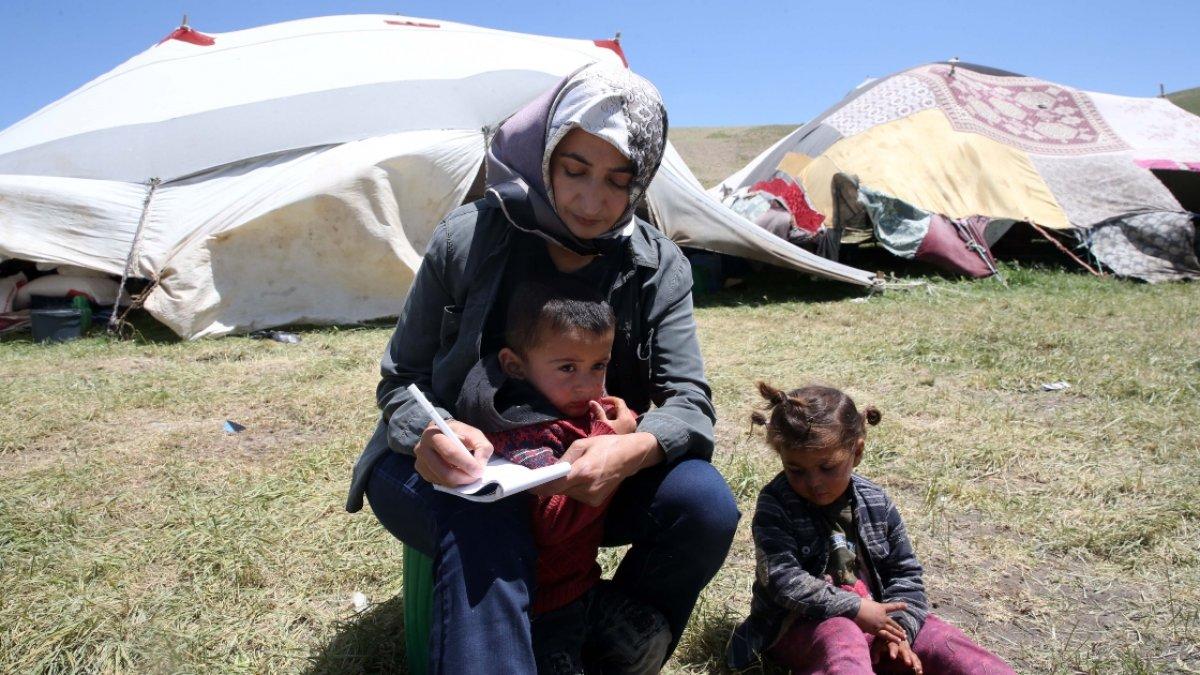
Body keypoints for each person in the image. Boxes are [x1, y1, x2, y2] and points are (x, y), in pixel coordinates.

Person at [345, 62, 740, 674]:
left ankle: (609, 635)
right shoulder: (467, 239)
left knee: (703, 504)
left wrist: (628, 451)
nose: (591, 199)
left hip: (584, 483)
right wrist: (435, 432)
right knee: (489, 516)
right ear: (544, 156)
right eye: (575, 170)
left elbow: (691, 402)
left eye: (617, 180)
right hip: (454, 475)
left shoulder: (658, 267)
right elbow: (401, 380)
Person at [455, 278, 671, 673]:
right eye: (567, 367)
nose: (587, 383)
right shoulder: (522, 432)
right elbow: (552, 521)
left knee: (651, 636)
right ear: (515, 365)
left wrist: (624, 428)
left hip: (583, 587)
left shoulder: (580, 408)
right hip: (543, 606)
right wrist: (610, 440)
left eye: (599, 366)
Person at [726, 382, 1015, 675]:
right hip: (801, 625)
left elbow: (904, 573)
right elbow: (781, 579)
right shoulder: (776, 503)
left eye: (827, 467)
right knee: (843, 638)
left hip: (878, 616)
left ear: (857, 451)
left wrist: (899, 631)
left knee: (947, 643)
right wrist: (854, 609)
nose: (813, 482)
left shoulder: (877, 501)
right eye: (796, 470)